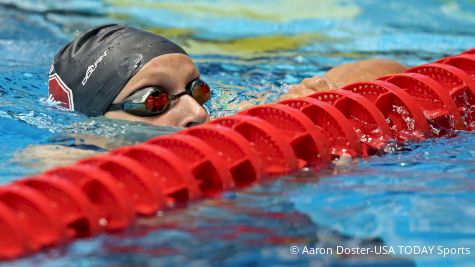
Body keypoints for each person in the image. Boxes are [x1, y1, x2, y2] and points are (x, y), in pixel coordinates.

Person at [18, 24, 407, 171]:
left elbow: (383, 67)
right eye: (153, 100)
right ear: (94, 122)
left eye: (197, 89)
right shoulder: (69, 164)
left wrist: (318, 105)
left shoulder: (239, 121)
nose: (196, 112)